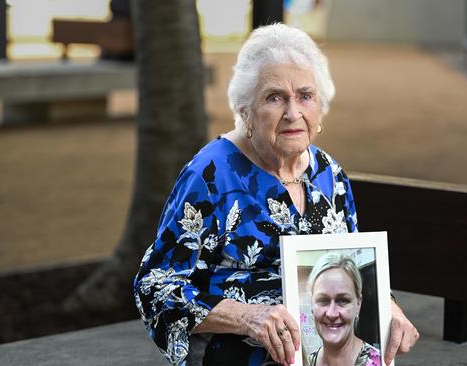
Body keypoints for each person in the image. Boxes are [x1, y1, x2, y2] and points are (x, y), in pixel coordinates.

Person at [133, 23, 418, 366]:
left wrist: (388, 306)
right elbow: (155, 286)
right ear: (245, 111)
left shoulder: (329, 174)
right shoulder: (211, 174)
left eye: (305, 96)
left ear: (320, 107)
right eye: (274, 97)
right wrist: (247, 316)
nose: (293, 113)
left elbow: (354, 267)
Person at [305, 253, 379, 366]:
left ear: (358, 304)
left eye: (342, 301)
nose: (331, 314)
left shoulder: (378, 362)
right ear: (312, 304)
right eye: (323, 300)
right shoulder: (305, 362)